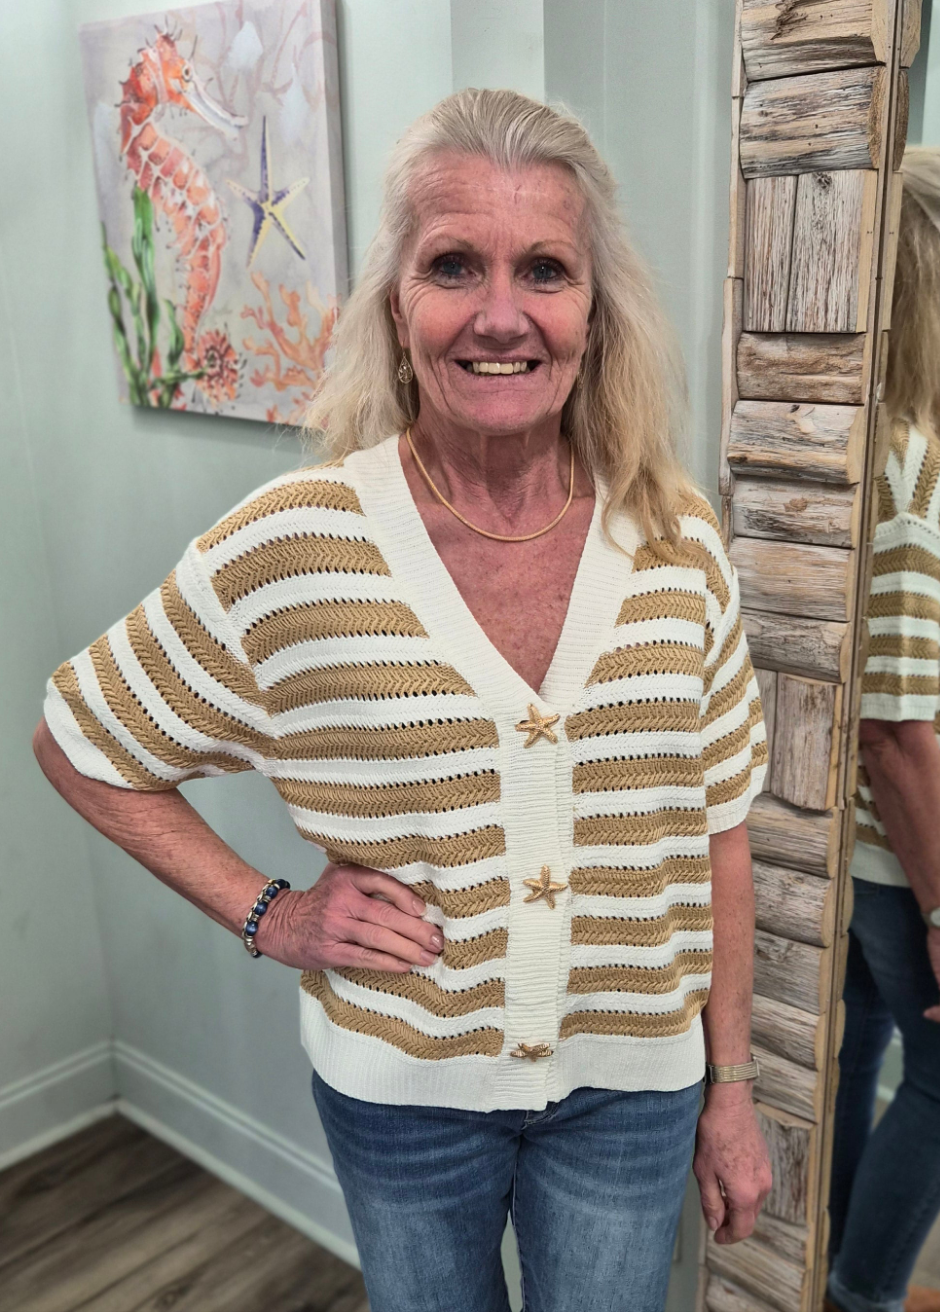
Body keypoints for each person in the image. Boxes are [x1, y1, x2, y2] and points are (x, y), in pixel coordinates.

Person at [34, 89, 771, 1312]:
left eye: (545, 269)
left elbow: (722, 828)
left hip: (635, 1094)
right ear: (396, 304)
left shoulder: (675, 538)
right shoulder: (297, 543)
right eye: (453, 265)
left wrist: (732, 1083)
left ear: (596, 308)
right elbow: (82, 741)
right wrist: (271, 914)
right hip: (404, 1100)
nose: (501, 313)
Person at [827, 147, 940, 1312]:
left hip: (878, 854)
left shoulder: (901, 444)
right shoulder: (917, 474)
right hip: (917, 861)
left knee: (860, 1052)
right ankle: (861, 1294)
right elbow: (893, 727)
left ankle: (829, 1273)